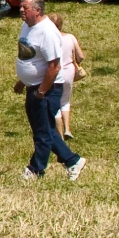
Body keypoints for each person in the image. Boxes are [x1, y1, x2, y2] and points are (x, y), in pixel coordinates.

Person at [13, 0, 84, 181]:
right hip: (33, 86)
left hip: (47, 89)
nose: (21, 10)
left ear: (38, 10)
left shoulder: (47, 32)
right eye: (21, 6)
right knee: (45, 129)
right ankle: (73, 161)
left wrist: (41, 92)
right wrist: (22, 80)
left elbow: (54, 66)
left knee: (42, 132)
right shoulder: (27, 25)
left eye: (25, 7)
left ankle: (35, 170)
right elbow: (29, 55)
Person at [48, 11, 83, 141]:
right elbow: (81, 56)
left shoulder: (49, 40)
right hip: (69, 72)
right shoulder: (70, 37)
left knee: (54, 103)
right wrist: (76, 63)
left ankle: (60, 136)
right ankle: (68, 128)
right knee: (65, 101)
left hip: (54, 73)